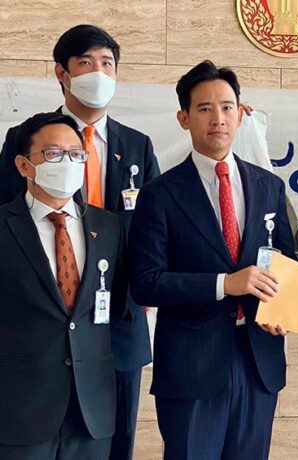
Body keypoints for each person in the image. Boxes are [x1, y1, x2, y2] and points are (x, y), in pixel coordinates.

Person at [0, 24, 159, 460]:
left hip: (117, 330)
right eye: (86, 63)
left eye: (107, 63)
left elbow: (151, 230)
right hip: (35, 342)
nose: (98, 73)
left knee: (111, 443)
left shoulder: (137, 145)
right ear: (62, 73)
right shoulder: (25, 138)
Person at [129, 60, 296, 460]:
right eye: (204, 108)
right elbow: (146, 282)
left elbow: (287, 263)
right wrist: (225, 284)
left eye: (226, 107)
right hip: (192, 366)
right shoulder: (160, 193)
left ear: (239, 115)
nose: (217, 118)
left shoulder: (269, 186)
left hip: (258, 360)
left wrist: (288, 308)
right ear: (184, 118)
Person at [0, 112, 126, 459]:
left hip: (91, 410)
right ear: (24, 166)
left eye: (76, 154)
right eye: (53, 154)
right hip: (19, 410)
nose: (67, 163)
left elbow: (114, 306)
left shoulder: (108, 227)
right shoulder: (4, 226)